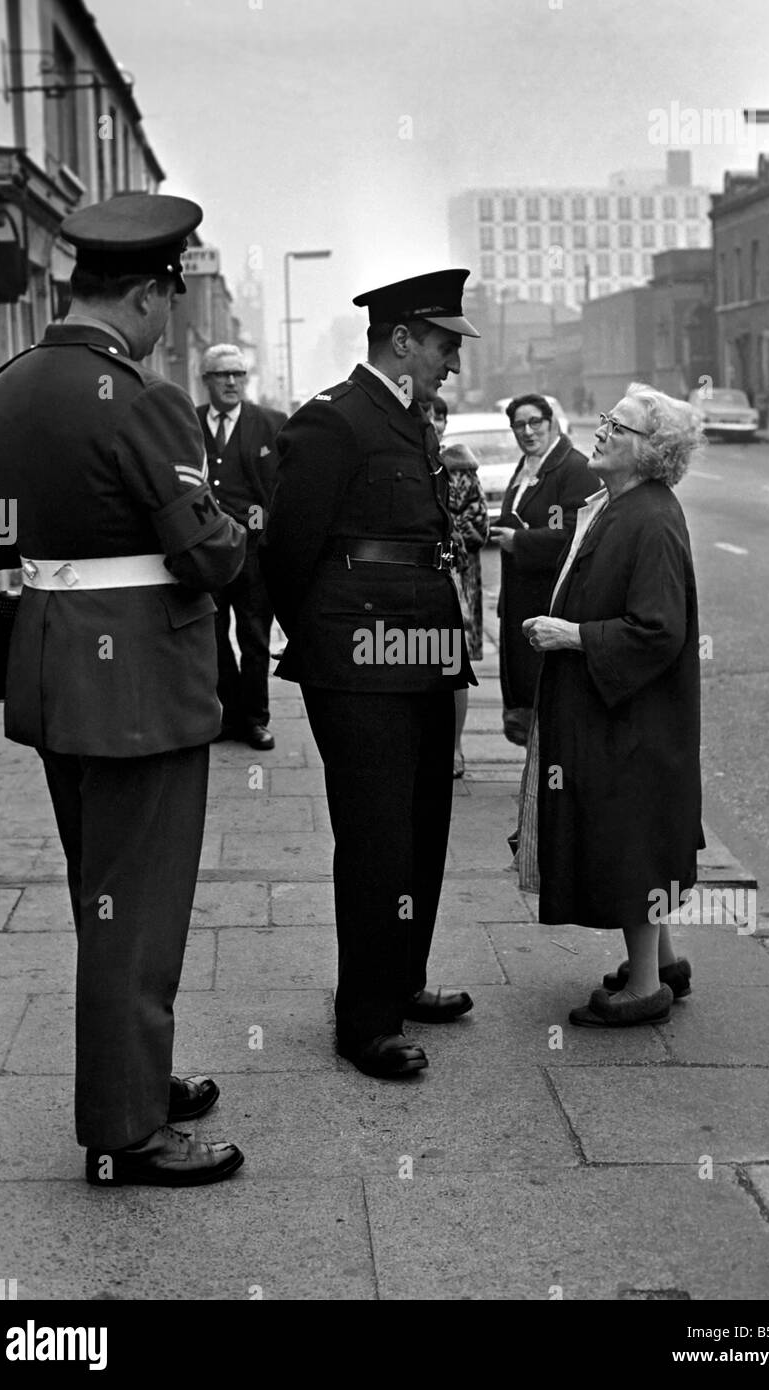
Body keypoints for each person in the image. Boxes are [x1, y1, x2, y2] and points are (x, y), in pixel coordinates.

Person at [0, 193, 248, 1184]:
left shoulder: (2, 390)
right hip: (141, 690)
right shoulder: (141, 400)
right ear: (152, 291)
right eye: (171, 300)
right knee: (142, 903)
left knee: (104, 897)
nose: (170, 322)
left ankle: (140, 1071)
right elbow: (209, 555)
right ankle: (126, 1132)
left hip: (52, 680)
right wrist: (241, 525)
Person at [260, 269, 480, 1080]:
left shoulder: (414, 422)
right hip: (358, 664)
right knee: (376, 838)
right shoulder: (333, 422)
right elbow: (286, 553)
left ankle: (403, 979)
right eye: (443, 344)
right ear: (401, 340)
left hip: (424, 649)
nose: (451, 361)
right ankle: (365, 1022)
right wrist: (328, 647)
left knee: (424, 826)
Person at [518, 382, 705, 1027]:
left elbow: (659, 630)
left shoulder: (649, 516)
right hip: (619, 711)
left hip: (631, 720)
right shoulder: (627, 504)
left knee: (629, 839)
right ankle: (666, 963)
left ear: (649, 452)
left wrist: (571, 634)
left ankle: (644, 990)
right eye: (605, 420)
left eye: (617, 427)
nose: (601, 431)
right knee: (639, 835)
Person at [489, 394, 600, 747]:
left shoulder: (574, 468)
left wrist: (519, 542)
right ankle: (539, 784)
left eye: (535, 422)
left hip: (550, 603)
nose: (527, 431)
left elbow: (573, 534)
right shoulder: (528, 466)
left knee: (550, 705)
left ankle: (553, 787)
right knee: (529, 705)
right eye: (519, 425)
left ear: (551, 422)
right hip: (522, 602)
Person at [197, 343, 285, 750]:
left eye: (237, 374)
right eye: (221, 375)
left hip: (252, 554)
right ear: (206, 381)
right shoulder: (190, 423)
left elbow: (282, 490)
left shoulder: (270, 424)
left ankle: (255, 720)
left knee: (254, 639)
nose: (231, 382)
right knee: (211, 637)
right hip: (207, 553)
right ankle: (229, 715)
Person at [430, 395, 488, 777]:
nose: (432, 423)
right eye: (424, 415)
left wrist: (442, 536)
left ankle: (454, 748)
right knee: (416, 659)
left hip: (454, 578)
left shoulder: (460, 468)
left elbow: (479, 525)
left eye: (438, 418)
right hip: (414, 579)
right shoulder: (403, 459)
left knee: (452, 667)